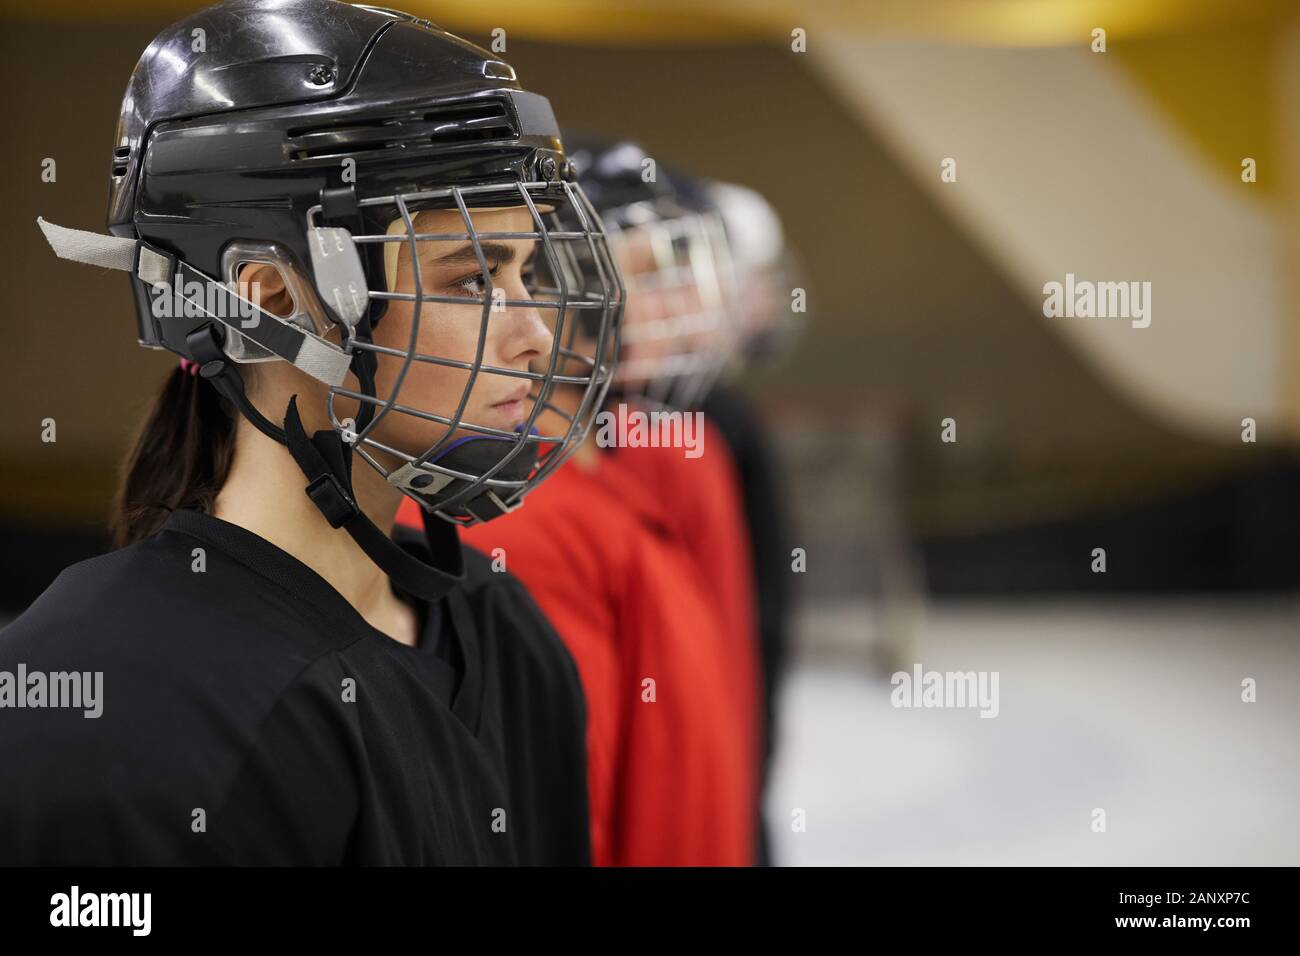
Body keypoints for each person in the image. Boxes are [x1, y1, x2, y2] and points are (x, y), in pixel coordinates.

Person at [0, 0, 623, 866]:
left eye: (525, 271)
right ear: (269, 300)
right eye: (473, 278)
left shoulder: (505, 630)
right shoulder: (113, 702)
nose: (537, 334)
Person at [399, 140, 762, 865]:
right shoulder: (520, 519)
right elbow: (562, 808)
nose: (687, 307)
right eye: (657, 276)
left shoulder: (619, 470)